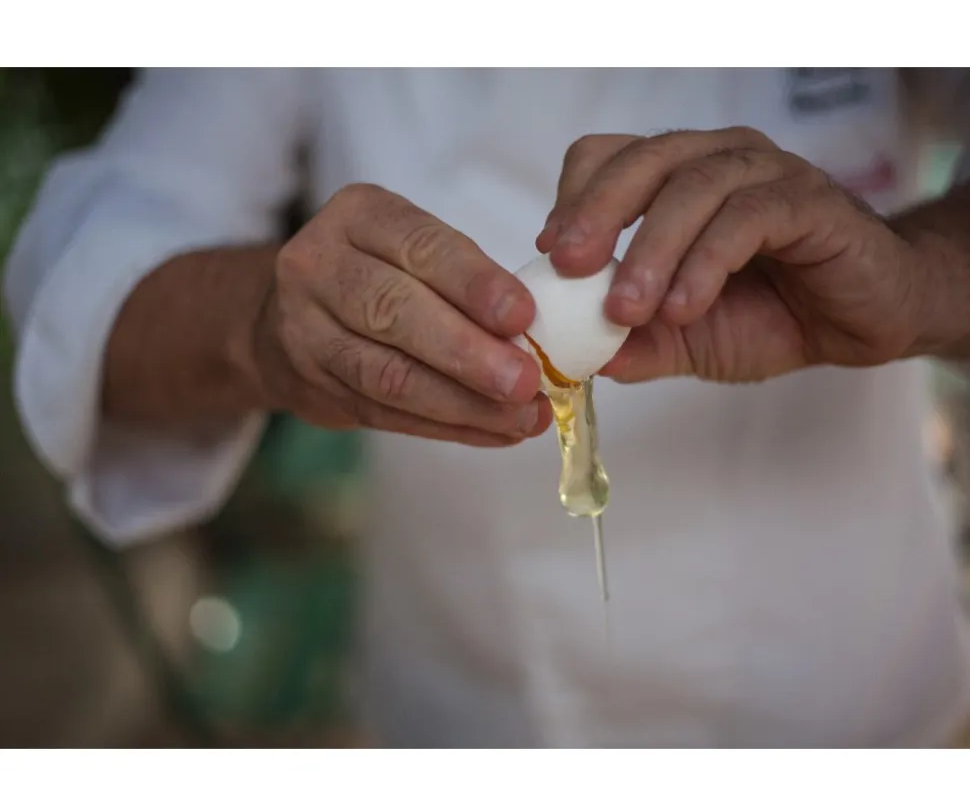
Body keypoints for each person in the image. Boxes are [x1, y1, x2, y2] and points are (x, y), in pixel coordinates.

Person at [5, 68, 970, 747]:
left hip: (863, 711)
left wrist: (925, 279)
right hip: (473, 718)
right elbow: (89, 272)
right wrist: (261, 323)